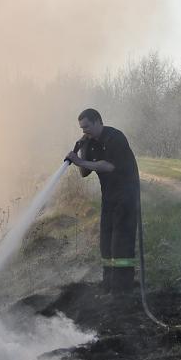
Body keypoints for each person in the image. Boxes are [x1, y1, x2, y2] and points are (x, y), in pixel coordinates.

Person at [65, 108, 140, 295]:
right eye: (82, 129)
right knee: (106, 245)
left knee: (120, 246)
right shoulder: (90, 143)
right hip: (109, 199)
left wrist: (79, 161)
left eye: (87, 127)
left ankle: (122, 291)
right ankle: (108, 286)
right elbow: (84, 173)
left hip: (127, 198)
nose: (84, 132)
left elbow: (108, 166)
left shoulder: (115, 138)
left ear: (98, 121)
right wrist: (82, 150)